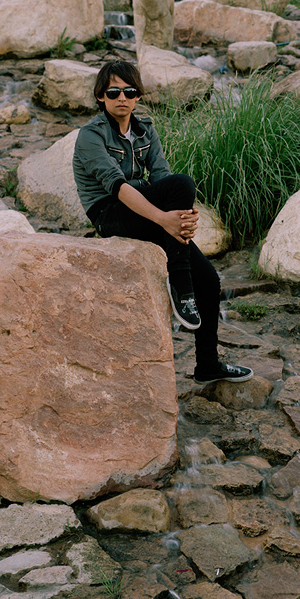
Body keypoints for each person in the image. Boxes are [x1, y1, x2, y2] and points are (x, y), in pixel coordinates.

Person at [72, 60, 252, 385]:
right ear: (101, 96)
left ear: (138, 95)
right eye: (114, 92)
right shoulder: (90, 135)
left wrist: (183, 217)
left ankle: (207, 365)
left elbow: (163, 178)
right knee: (180, 189)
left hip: (142, 209)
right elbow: (117, 186)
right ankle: (181, 286)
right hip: (109, 211)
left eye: (129, 91)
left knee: (210, 279)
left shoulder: (145, 130)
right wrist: (163, 219)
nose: (122, 98)